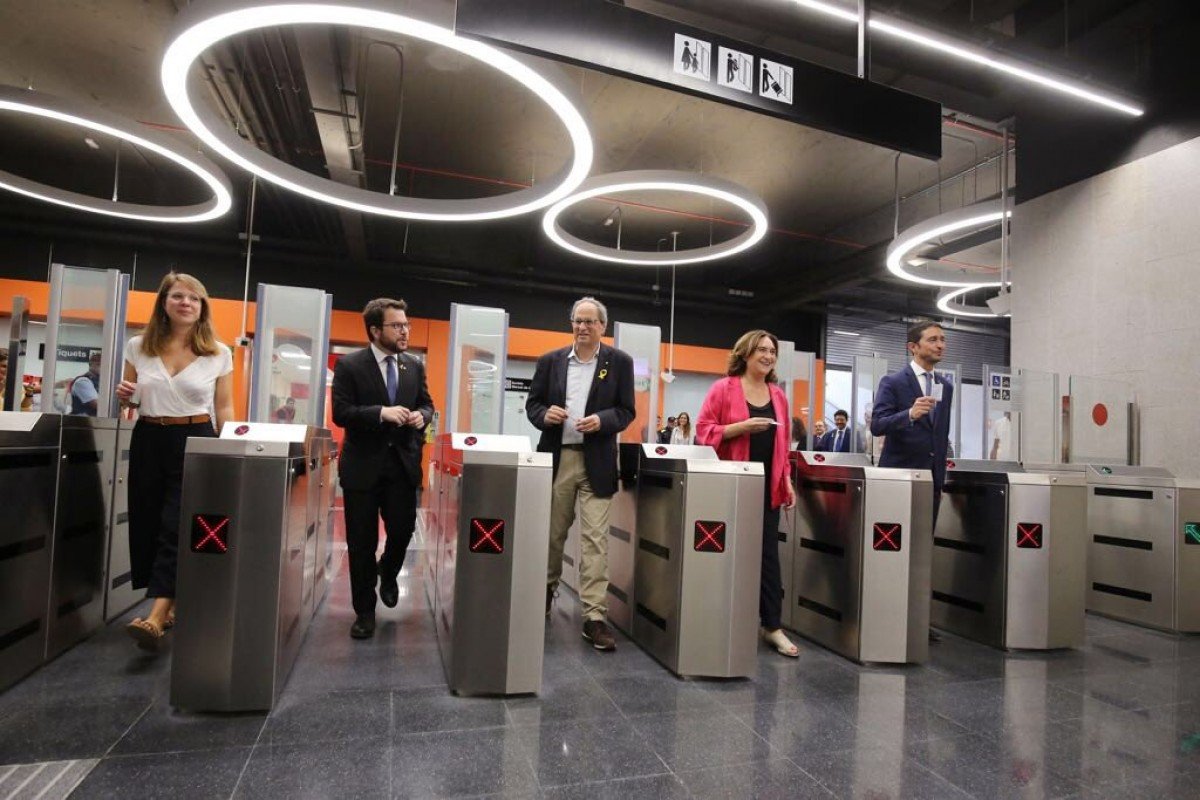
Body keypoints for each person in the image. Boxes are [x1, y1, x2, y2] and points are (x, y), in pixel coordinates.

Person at [116, 272, 233, 650]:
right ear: (163, 303)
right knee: (148, 518)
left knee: (176, 522)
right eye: (178, 296)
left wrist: (227, 446)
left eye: (194, 299)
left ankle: (154, 616)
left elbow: (224, 406)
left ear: (202, 308)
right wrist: (124, 397)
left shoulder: (218, 352)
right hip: (150, 436)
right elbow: (130, 400)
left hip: (196, 437)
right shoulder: (138, 346)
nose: (186, 303)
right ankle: (173, 602)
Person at [526, 296, 635, 651]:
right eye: (578, 321)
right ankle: (543, 593)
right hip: (558, 459)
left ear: (603, 326)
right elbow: (533, 404)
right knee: (552, 534)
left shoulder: (619, 363)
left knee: (595, 541)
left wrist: (603, 421)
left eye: (590, 321)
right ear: (571, 323)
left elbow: (626, 411)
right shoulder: (550, 362)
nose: (583, 327)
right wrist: (545, 416)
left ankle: (594, 616)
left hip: (598, 461)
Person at [332, 298, 432, 640]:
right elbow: (341, 413)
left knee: (403, 532)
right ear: (376, 330)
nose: (405, 330)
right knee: (361, 542)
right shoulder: (350, 366)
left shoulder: (414, 366)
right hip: (362, 467)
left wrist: (423, 416)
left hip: (403, 467)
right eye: (397, 325)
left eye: (406, 324)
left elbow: (427, 404)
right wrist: (380, 413)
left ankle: (388, 573)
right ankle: (364, 611)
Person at [696, 330, 799, 658]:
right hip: (732, 483)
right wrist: (739, 428)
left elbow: (783, 445)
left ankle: (772, 626)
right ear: (746, 354)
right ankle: (720, 616)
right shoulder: (723, 389)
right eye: (762, 350)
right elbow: (702, 431)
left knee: (768, 556)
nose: (768, 356)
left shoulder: (778, 395)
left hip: (767, 486)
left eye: (772, 351)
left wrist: (787, 481)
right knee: (726, 552)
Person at [870, 321, 953, 521]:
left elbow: (941, 433)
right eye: (932, 340)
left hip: (932, 480)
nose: (940, 345)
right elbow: (877, 425)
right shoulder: (893, 382)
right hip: (899, 477)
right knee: (894, 543)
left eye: (942, 340)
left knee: (924, 541)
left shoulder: (945, 386)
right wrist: (909, 414)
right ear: (913, 347)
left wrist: (939, 480)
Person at [69, 352, 102, 416]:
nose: (101, 367)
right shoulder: (82, 381)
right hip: (82, 423)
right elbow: (98, 405)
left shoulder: (101, 382)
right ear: (90, 364)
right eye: (98, 364)